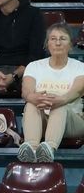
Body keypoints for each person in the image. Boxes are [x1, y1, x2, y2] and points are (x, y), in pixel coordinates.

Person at [18, 23, 84, 163]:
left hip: (72, 121)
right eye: (53, 39)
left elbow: (77, 90)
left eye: (63, 38)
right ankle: (32, 148)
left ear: (71, 44)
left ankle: (49, 149)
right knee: (31, 103)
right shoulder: (34, 66)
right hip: (41, 120)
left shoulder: (80, 67)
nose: (58, 42)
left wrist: (58, 100)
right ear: (47, 44)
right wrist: (33, 97)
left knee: (59, 105)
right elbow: (26, 92)